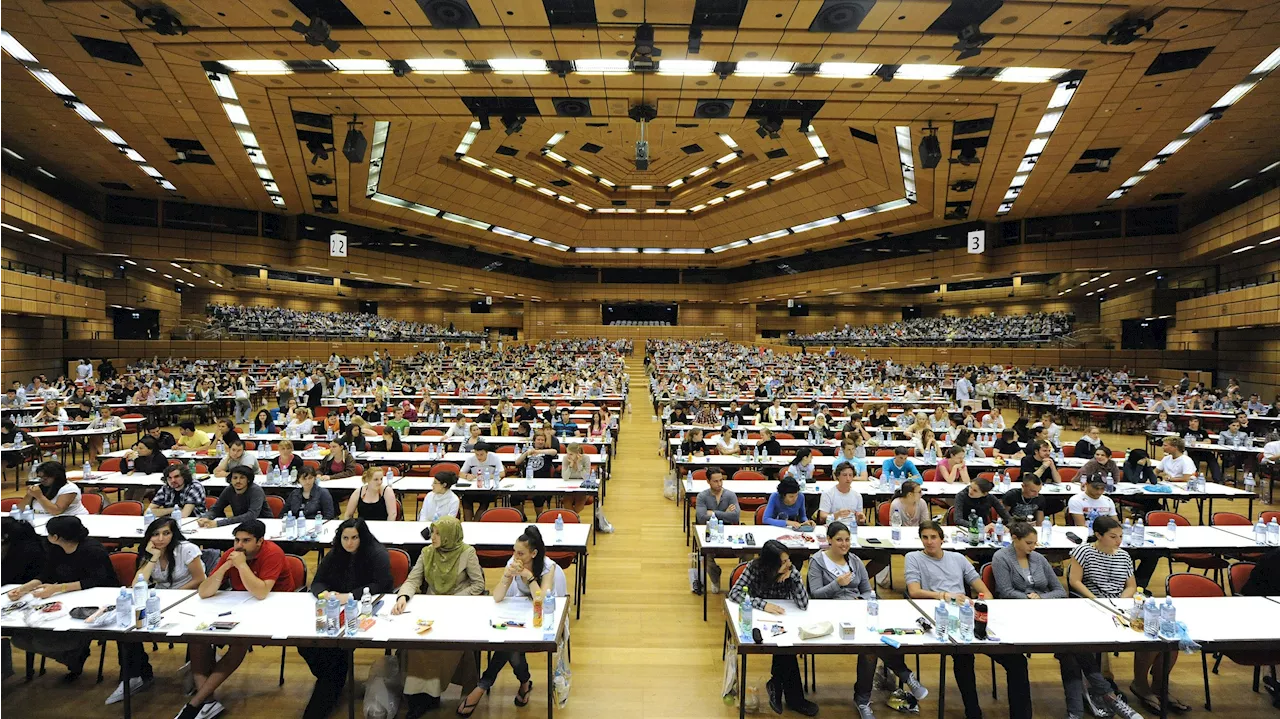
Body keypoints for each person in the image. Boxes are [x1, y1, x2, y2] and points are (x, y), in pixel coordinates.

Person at [906, 520, 1031, 719]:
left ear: (942, 539)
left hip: (967, 612)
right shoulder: (913, 558)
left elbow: (984, 591)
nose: (929, 542)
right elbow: (913, 591)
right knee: (964, 656)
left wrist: (980, 603)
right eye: (925, 538)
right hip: (940, 615)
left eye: (933, 537)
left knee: (1017, 661)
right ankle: (973, 712)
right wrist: (945, 596)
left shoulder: (957, 558)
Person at [807, 521, 929, 716]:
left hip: (859, 611)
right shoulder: (817, 562)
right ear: (829, 540)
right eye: (839, 540)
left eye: (847, 540)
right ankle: (905, 676)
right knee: (870, 646)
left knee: (875, 644)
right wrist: (837, 584)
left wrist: (860, 600)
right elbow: (816, 595)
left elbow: (866, 590)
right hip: (831, 614)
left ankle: (863, 699)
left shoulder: (854, 560)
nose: (844, 544)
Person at [1065, 516, 1184, 714]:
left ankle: (1153, 685)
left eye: (1120, 536)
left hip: (1121, 604)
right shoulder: (1083, 551)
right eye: (1113, 536)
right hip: (1092, 603)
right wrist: (1097, 600)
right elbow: (1075, 581)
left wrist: (1121, 601)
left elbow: (1131, 586)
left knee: (1162, 634)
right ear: (1098, 535)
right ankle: (1115, 686)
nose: (1118, 540)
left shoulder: (1123, 555)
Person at [179, 519, 295, 719]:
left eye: (246, 541)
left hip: (276, 608)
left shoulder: (272, 553)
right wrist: (224, 568)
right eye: (236, 540)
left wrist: (241, 566)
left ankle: (196, 703)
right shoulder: (231, 555)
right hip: (239, 606)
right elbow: (204, 592)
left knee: (239, 642)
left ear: (260, 541)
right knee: (197, 637)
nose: (239, 545)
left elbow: (261, 592)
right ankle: (207, 701)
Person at [457, 527, 564, 717]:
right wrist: (507, 576)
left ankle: (483, 685)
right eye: (514, 551)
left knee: (510, 648)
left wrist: (528, 577)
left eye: (521, 553)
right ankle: (523, 683)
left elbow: (540, 600)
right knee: (512, 648)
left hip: (543, 617)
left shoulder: (548, 568)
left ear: (533, 553)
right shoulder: (512, 563)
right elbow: (497, 597)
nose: (516, 556)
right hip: (518, 615)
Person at [299, 519, 394, 719]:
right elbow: (317, 582)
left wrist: (351, 596)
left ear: (362, 537)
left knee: (333, 653)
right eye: (345, 538)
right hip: (333, 608)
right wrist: (325, 594)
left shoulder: (376, 554)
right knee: (304, 642)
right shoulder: (335, 554)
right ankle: (331, 677)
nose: (349, 543)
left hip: (363, 609)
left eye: (354, 538)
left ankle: (331, 682)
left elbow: (383, 585)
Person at [110, 517, 207, 704]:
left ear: (174, 534)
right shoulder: (149, 551)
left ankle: (197, 670)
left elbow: (199, 579)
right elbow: (136, 584)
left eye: (166, 533)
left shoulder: (186, 549)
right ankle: (134, 676)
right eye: (155, 534)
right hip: (159, 599)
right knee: (127, 626)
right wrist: (152, 557)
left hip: (190, 597)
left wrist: (173, 595)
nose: (160, 538)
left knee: (193, 631)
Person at [397, 516, 486, 717]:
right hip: (431, 608)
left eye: (438, 533)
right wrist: (403, 596)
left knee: (444, 647)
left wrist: (453, 599)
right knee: (416, 642)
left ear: (449, 536)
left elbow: (478, 584)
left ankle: (431, 694)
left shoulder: (467, 552)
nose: (433, 537)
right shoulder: (427, 552)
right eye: (433, 532)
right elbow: (413, 579)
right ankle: (419, 696)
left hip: (458, 609)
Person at [6, 516, 114, 680]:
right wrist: (23, 588)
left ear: (56, 536)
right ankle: (72, 656)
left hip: (97, 599)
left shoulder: (93, 550)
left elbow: (96, 581)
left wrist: (58, 588)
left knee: (41, 641)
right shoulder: (54, 548)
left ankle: (77, 648)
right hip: (68, 597)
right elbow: (47, 573)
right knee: (20, 639)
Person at [727, 540, 818, 716]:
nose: (788, 564)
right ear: (770, 564)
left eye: (788, 560)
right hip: (757, 617)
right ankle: (793, 698)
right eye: (783, 562)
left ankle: (777, 685)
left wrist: (794, 579)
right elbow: (735, 593)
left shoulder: (791, 571)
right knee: (785, 649)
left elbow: (804, 604)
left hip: (783, 617)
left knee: (785, 645)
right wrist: (763, 604)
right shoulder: (754, 568)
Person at [696, 466, 739, 594]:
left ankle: (740, 580)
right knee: (707, 555)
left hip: (730, 531)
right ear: (708, 481)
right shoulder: (702, 497)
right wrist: (724, 513)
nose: (719, 484)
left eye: (721, 480)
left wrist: (713, 513)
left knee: (748, 553)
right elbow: (702, 518)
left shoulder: (730, 495)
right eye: (715, 481)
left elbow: (735, 516)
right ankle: (715, 579)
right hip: (711, 531)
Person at [198, 466, 270, 527]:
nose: (238, 481)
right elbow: (216, 509)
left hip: (263, 524)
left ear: (248, 480)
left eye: (242, 478)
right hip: (239, 524)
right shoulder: (229, 489)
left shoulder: (256, 491)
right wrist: (206, 518)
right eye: (235, 478)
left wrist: (219, 523)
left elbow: (251, 515)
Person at [459, 442, 504, 520]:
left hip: (488, 488)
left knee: (486, 499)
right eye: (477, 454)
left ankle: (476, 522)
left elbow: (502, 473)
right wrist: (467, 476)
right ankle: (467, 522)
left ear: (487, 452)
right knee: (465, 498)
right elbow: (461, 473)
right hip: (474, 487)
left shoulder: (495, 458)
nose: (479, 457)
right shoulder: (470, 459)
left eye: (481, 454)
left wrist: (488, 477)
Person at [558, 442, 592, 514]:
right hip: (569, 487)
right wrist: (571, 465)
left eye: (571, 454)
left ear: (578, 454)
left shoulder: (586, 458)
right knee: (566, 502)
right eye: (567, 453)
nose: (568, 456)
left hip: (582, 487)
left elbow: (586, 477)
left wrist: (579, 464)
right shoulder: (565, 459)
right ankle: (575, 519)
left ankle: (573, 518)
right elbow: (565, 477)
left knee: (579, 503)